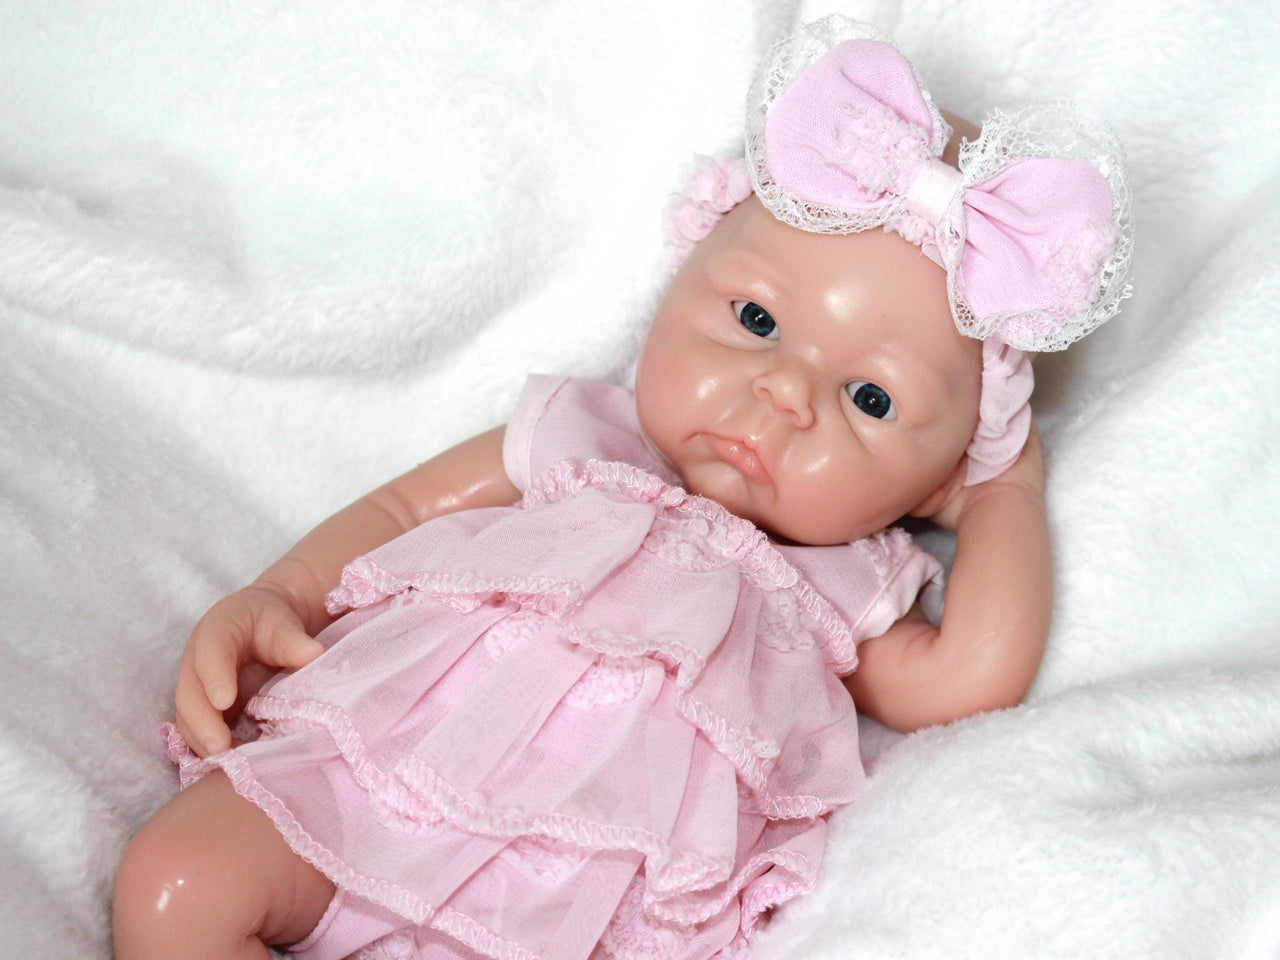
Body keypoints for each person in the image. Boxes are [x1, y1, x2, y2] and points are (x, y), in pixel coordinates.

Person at [111, 16, 1132, 960]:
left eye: (869, 398)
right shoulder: (584, 441)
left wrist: (1003, 487)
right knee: (176, 883)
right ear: (681, 275)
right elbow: (401, 511)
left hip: (569, 901)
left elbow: (969, 678)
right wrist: (282, 593)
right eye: (757, 321)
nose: (782, 394)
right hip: (371, 781)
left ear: (940, 472)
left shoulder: (832, 589)